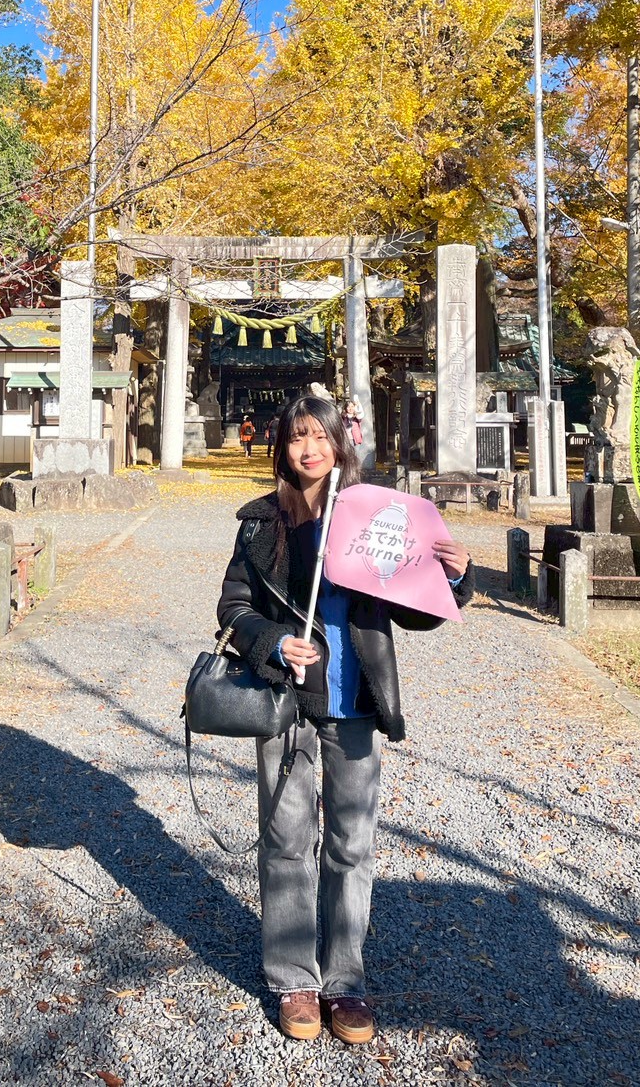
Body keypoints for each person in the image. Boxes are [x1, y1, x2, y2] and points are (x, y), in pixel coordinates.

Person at [216, 394, 472, 1043]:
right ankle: (294, 977)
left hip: (354, 700)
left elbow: (415, 608)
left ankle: (346, 980)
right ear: (284, 447)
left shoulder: (372, 516)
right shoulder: (259, 523)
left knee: (352, 844)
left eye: (320, 437)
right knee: (286, 841)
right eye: (298, 438)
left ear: (338, 443)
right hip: (286, 702)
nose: (309, 449)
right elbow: (233, 606)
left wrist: (455, 578)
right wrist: (274, 641)